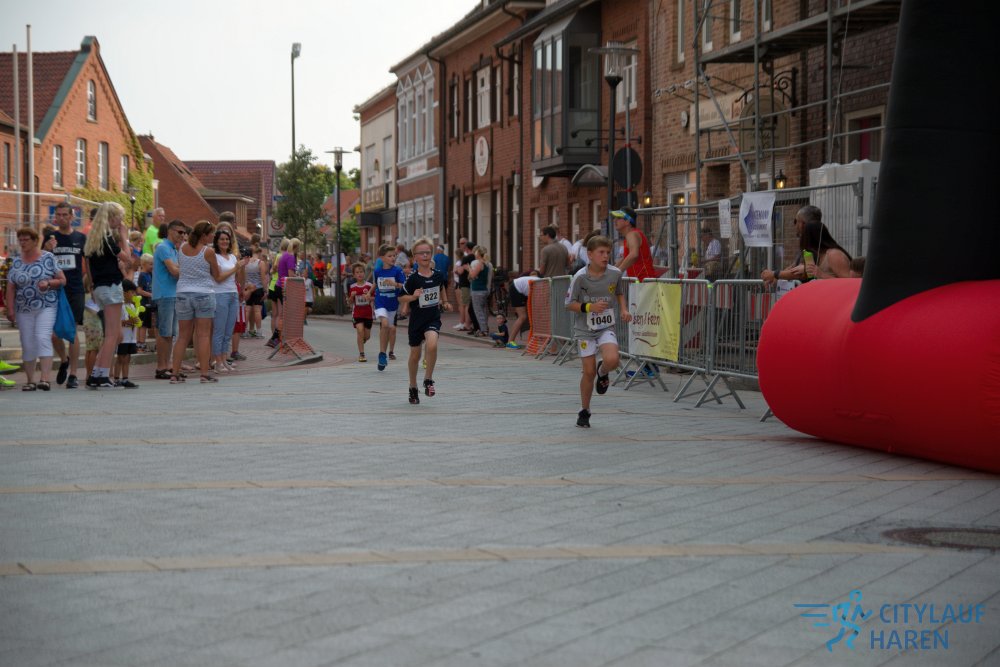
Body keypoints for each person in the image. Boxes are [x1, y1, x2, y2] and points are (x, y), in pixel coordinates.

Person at [566, 235, 631, 428]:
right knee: (588, 372)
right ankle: (584, 410)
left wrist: (624, 309)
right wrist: (589, 307)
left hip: (605, 326)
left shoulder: (615, 273)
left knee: (613, 359)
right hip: (585, 329)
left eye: (608, 253)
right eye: (601, 252)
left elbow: (619, 292)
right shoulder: (580, 277)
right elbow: (569, 304)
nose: (605, 256)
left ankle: (603, 372)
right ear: (590, 254)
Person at [5, 226, 67, 391]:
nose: (23, 243)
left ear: (35, 241)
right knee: (27, 342)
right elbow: (10, 287)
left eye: (26, 240)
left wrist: (49, 283)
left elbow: (62, 280)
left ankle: (45, 379)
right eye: (20, 240)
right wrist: (10, 309)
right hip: (23, 308)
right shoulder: (16, 261)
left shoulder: (48, 257)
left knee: (42, 337)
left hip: (46, 305)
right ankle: (30, 380)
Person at [83, 202, 132, 390]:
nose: (121, 220)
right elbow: (128, 258)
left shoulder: (93, 238)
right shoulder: (107, 238)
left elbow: (90, 265)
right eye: (120, 216)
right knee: (112, 334)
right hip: (111, 287)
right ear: (111, 217)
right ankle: (102, 375)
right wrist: (124, 237)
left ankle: (96, 372)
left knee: (117, 334)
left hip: (100, 288)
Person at [399, 237, 453, 404]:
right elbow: (401, 297)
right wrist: (413, 296)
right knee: (415, 356)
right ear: (415, 257)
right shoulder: (413, 278)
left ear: (431, 255)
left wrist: (445, 302)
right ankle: (413, 386)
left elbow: (441, 288)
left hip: (432, 318)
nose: (425, 255)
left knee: (432, 345)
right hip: (417, 321)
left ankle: (428, 379)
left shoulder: (438, 275)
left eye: (428, 252)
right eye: (421, 253)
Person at [171, 220, 221, 384]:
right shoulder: (208, 251)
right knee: (203, 335)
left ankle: (175, 373)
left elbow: (182, 268)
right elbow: (217, 276)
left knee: (182, 336)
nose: (213, 236)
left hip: (183, 293)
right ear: (204, 235)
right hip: (204, 294)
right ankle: (204, 374)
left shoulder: (182, 248)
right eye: (211, 233)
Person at [49, 202, 87, 389]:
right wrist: (48, 249)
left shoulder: (81, 238)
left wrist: (89, 283)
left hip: (75, 290)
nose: (62, 218)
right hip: (55, 290)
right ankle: (64, 360)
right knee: (54, 334)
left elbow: (88, 263)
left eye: (65, 215)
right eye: (58, 215)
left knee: (72, 331)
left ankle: (73, 374)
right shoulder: (50, 238)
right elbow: (42, 261)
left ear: (72, 217)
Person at [152, 219, 187, 379]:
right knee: (164, 332)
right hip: (165, 294)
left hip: (173, 293)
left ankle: (168, 366)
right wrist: (187, 269)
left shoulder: (173, 249)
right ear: (171, 231)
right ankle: (161, 367)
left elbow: (178, 269)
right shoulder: (163, 247)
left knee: (170, 333)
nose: (183, 235)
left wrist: (181, 269)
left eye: (184, 233)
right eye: (180, 232)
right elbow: (174, 271)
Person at [210, 227, 244, 373]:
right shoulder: (214, 256)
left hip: (233, 294)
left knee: (228, 330)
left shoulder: (232, 257)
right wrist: (235, 268)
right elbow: (218, 278)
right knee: (219, 330)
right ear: (217, 241)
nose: (224, 241)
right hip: (220, 294)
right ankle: (217, 362)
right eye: (222, 239)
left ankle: (224, 359)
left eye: (227, 239)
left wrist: (241, 267)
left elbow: (238, 278)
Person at [761, 205, 819, 285]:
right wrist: (776, 276)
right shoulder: (808, 242)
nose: (795, 225)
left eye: (796, 221)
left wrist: (774, 274)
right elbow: (795, 266)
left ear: (802, 224)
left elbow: (802, 273)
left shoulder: (811, 244)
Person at [372, 244, 405, 371]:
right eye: (390, 256)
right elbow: (376, 284)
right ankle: (382, 354)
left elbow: (404, 286)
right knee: (384, 324)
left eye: (394, 255)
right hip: (380, 302)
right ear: (382, 258)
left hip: (392, 304)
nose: (393, 258)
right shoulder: (377, 271)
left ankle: (385, 354)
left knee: (389, 328)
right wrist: (369, 294)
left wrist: (394, 284)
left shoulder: (397, 271)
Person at [611, 207, 655, 281]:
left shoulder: (632, 234)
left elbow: (634, 255)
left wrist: (618, 271)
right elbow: (626, 258)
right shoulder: (631, 234)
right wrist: (611, 271)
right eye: (615, 218)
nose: (614, 220)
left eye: (618, 218)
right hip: (641, 281)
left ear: (627, 221)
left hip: (644, 281)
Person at [112, 279, 140, 388]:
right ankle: (116, 379)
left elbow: (134, 321)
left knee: (128, 358)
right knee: (120, 358)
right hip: (123, 338)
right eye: (132, 292)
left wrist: (135, 322)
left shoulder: (132, 306)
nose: (134, 295)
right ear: (124, 293)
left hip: (131, 338)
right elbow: (117, 322)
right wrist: (129, 322)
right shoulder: (121, 306)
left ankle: (125, 378)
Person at [506, 270, 540, 349]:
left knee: (531, 315)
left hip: (520, 288)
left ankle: (536, 339)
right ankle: (510, 342)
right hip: (517, 288)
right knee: (522, 316)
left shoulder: (542, 282)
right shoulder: (543, 285)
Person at [348, 263, 374, 362]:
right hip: (357, 313)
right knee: (360, 330)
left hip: (368, 314)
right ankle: (362, 354)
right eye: (357, 272)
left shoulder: (369, 286)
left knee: (367, 336)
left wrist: (369, 297)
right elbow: (350, 302)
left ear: (364, 273)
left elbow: (375, 298)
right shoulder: (352, 287)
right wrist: (352, 296)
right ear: (354, 275)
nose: (360, 274)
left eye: (361, 272)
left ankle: (362, 340)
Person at [468, 245, 492, 337]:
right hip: (484, 289)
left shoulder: (479, 264)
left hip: (477, 290)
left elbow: (472, 275)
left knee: (478, 311)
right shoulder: (486, 264)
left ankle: (483, 330)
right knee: (483, 310)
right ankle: (484, 328)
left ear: (478, 253)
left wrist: (469, 268)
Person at [244, 246, 268, 338]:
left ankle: (245, 331)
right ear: (258, 253)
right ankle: (259, 332)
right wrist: (265, 290)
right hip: (258, 288)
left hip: (248, 288)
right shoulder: (260, 263)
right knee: (257, 311)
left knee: (247, 310)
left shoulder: (245, 262)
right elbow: (263, 278)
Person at [136, 254, 154, 352]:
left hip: (147, 303)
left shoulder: (149, 274)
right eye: (150, 264)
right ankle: (141, 344)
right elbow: (139, 290)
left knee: (143, 324)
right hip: (143, 303)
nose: (152, 266)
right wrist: (150, 295)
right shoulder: (142, 275)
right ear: (144, 264)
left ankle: (139, 343)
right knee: (143, 324)